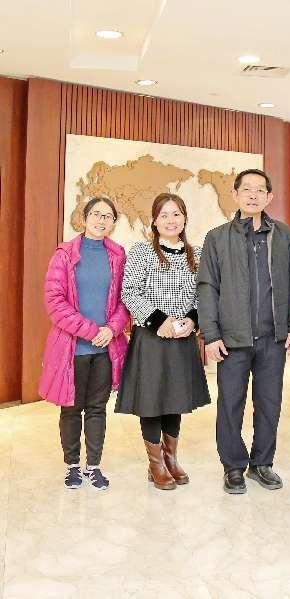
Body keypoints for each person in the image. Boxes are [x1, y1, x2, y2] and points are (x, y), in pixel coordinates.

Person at [197, 169, 290, 495]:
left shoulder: (282, 234)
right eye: (247, 189)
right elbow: (207, 287)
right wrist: (211, 335)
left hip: (273, 337)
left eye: (260, 190)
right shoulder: (217, 238)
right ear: (235, 194)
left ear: (269, 196)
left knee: (269, 404)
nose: (253, 195)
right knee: (231, 405)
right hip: (233, 339)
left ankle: (262, 463)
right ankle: (233, 467)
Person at [116, 193, 211, 490]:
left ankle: (171, 458)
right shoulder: (142, 252)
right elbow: (130, 292)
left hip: (183, 338)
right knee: (152, 400)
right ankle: (155, 464)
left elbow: (204, 294)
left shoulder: (197, 254)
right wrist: (161, 322)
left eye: (177, 214)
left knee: (175, 399)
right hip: (151, 337)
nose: (171, 220)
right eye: (164, 215)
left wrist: (193, 320)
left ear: (184, 219)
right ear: (154, 221)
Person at [39, 197, 129, 491]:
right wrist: (91, 331)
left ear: (113, 222)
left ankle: (94, 467)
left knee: (97, 409)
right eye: (96, 214)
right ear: (85, 217)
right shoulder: (64, 254)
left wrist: (112, 329)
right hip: (72, 349)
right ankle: (72, 467)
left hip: (106, 349)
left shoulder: (118, 255)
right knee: (71, 408)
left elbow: (124, 300)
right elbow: (55, 302)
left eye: (108, 216)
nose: (101, 220)